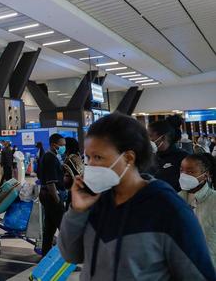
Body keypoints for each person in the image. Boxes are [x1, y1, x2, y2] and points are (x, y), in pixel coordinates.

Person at [59, 113, 215, 280]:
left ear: (128, 158)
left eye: (98, 157)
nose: (90, 166)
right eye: (88, 157)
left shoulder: (168, 209)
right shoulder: (96, 199)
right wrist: (77, 211)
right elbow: (71, 255)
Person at [179, 153, 216, 264]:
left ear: (205, 175)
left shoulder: (213, 201)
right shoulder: (176, 199)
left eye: (190, 172)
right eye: (182, 170)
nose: (184, 175)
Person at [39, 133, 66, 256]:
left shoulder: (51, 156)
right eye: (62, 145)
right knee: (64, 228)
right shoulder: (50, 158)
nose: (63, 147)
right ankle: (68, 259)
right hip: (51, 196)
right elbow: (51, 183)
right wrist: (57, 201)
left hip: (47, 195)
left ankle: (45, 255)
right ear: (54, 145)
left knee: (49, 229)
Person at [148, 116, 188, 192]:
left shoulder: (182, 157)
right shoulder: (150, 157)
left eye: (150, 136)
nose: (147, 139)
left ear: (163, 137)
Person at [62, 137, 83, 210]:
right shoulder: (77, 156)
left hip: (73, 192)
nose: (61, 147)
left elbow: (67, 179)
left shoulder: (69, 160)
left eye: (63, 145)